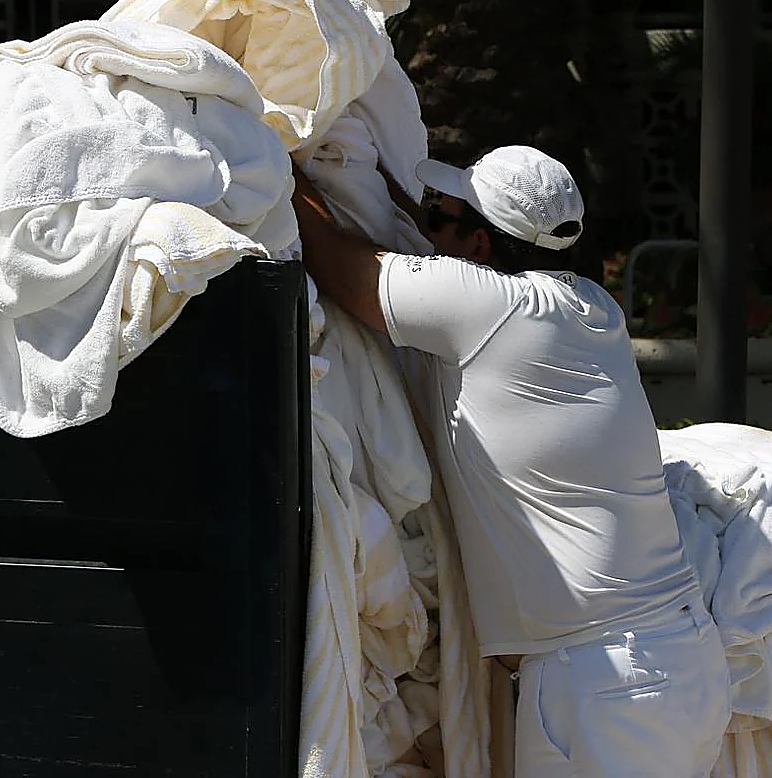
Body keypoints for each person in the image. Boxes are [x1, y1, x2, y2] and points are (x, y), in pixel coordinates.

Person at [290, 146, 730, 778]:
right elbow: (457, 245)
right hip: (639, 669)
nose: (423, 227)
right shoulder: (592, 306)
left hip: (613, 683)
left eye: (440, 218)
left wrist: (284, 162)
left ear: (477, 245)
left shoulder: (489, 308)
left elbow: (336, 261)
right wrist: (409, 196)